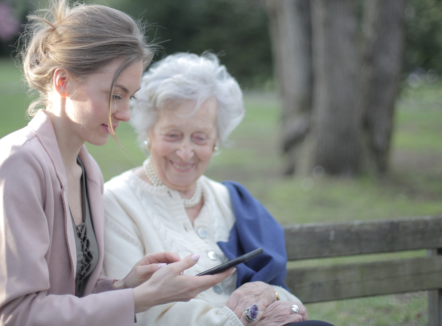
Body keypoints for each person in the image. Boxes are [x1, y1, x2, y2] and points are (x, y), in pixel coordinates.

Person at [0, 0, 233, 326]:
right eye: (115, 95)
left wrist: (124, 285)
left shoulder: (86, 170)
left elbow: (69, 294)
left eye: (130, 97)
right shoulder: (15, 166)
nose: (124, 113)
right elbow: (17, 315)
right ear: (63, 82)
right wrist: (137, 299)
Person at [102, 53, 333, 326]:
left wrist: (275, 297)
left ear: (215, 141)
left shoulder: (231, 200)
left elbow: (277, 291)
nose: (185, 152)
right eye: (172, 135)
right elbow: (142, 312)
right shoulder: (116, 202)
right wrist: (237, 320)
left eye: (200, 137)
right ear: (149, 133)